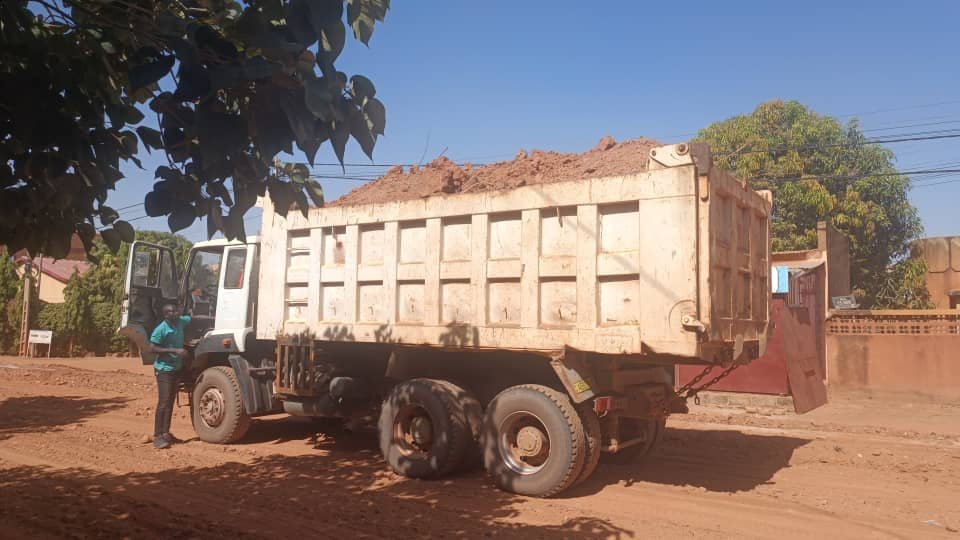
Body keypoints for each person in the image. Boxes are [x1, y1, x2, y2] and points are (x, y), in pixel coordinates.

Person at [149, 304, 191, 450]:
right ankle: (157, 436)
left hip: (176, 369)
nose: (175, 313)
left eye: (176, 310)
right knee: (164, 402)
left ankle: (166, 433)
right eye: (171, 311)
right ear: (166, 315)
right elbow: (152, 348)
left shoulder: (180, 321)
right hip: (164, 370)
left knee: (171, 402)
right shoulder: (161, 329)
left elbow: (193, 319)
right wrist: (174, 350)